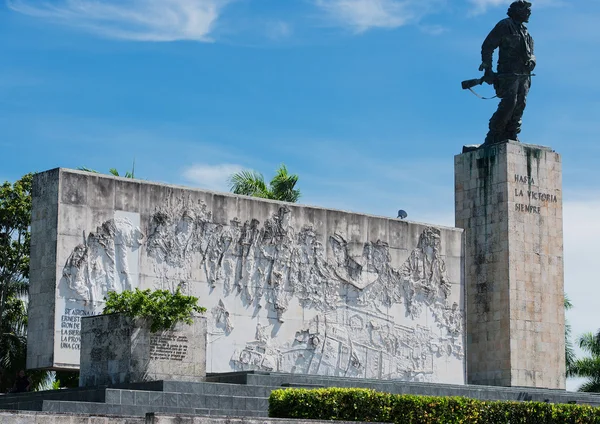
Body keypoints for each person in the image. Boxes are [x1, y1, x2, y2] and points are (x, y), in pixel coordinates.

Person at [480, 0, 535, 144]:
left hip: (524, 75)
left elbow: (532, 53)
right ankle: (494, 134)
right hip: (508, 74)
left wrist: (532, 61)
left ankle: (511, 132)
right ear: (516, 11)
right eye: (525, 10)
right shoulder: (505, 25)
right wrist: (488, 70)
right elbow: (488, 46)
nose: (529, 13)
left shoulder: (526, 32)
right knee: (510, 103)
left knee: (520, 103)